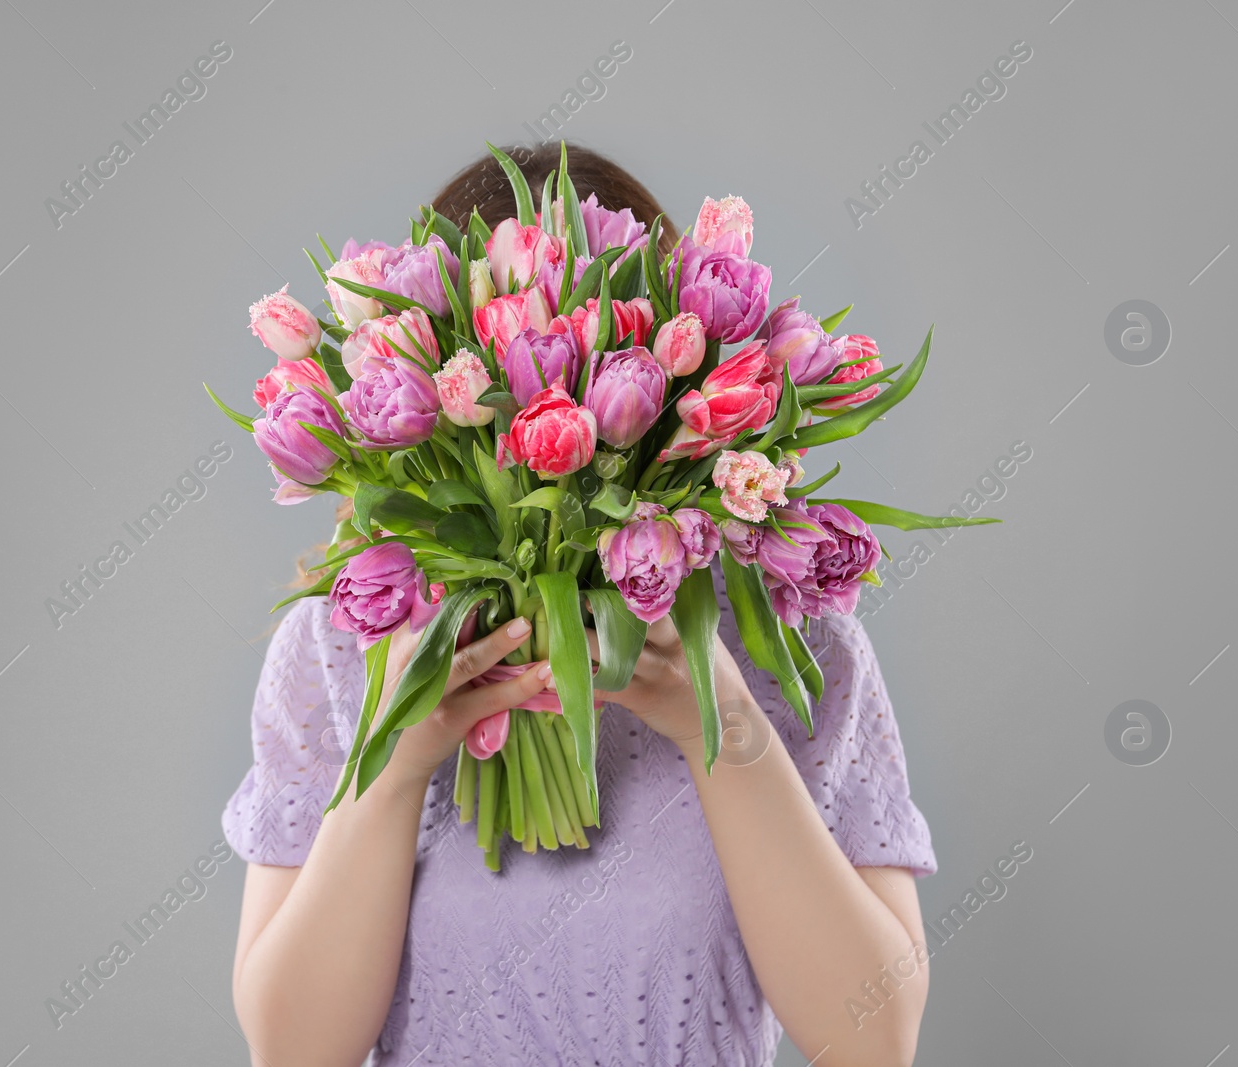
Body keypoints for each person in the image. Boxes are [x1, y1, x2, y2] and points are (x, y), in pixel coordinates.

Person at [223, 145, 936, 1067]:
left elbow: (873, 1040)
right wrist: (395, 763)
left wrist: (719, 722)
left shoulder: (789, 632)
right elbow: (293, 1052)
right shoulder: (340, 640)